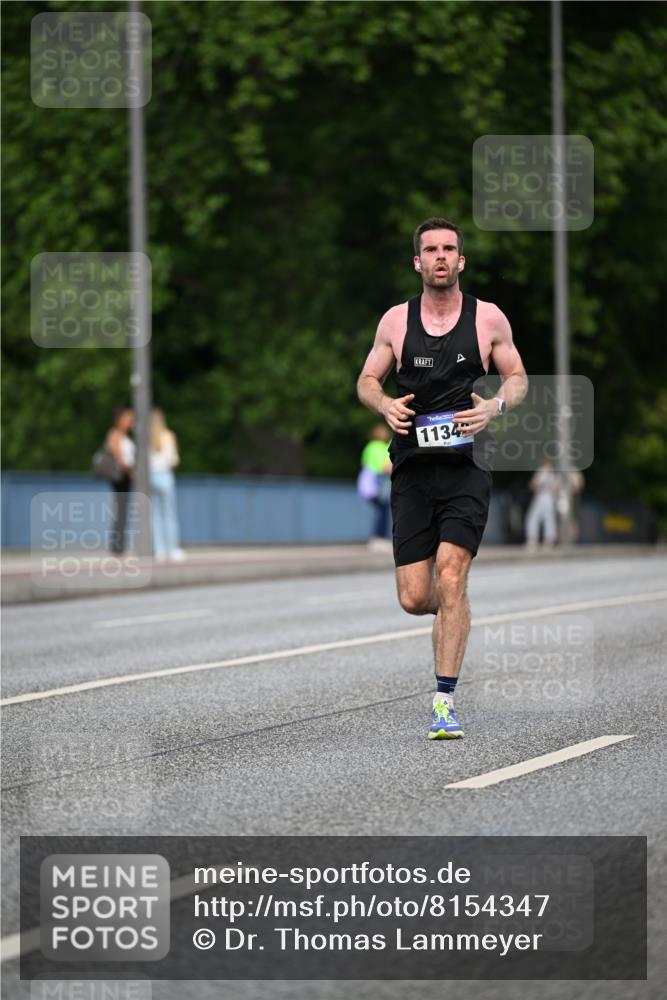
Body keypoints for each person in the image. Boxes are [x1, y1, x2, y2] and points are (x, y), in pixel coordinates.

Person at [357, 217, 528, 739]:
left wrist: (495, 405)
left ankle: (444, 702)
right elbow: (366, 379)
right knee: (415, 597)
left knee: (451, 576)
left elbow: (517, 377)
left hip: (467, 467)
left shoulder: (487, 319)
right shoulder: (395, 322)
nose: (439, 257)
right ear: (417, 262)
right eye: (430, 249)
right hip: (412, 468)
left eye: (448, 249)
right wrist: (384, 403)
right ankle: (455, 606)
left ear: (461, 261)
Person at [149, 408, 185, 561]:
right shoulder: (169, 436)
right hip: (165, 475)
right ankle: (173, 549)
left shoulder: (146, 438)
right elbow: (173, 459)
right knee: (169, 515)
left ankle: (160, 551)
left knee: (155, 515)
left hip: (151, 476)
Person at [358, 424, 393, 551]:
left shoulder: (369, 447)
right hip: (380, 481)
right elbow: (386, 467)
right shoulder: (382, 447)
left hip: (367, 482)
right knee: (383, 510)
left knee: (380, 510)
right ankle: (379, 537)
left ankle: (378, 537)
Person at [106, 407, 135, 554]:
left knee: (123, 511)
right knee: (121, 511)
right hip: (121, 477)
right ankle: (117, 546)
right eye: (128, 419)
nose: (131, 422)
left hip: (125, 477)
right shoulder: (115, 435)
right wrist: (133, 473)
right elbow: (121, 459)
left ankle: (119, 544)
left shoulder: (126, 437)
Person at [525, 460, 559, 549]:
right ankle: (533, 540)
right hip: (540, 497)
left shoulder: (554, 474)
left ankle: (548, 540)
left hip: (549, 498)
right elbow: (533, 485)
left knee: (548, 519)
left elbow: (557, 488)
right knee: (533, 518)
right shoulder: (541, 472)